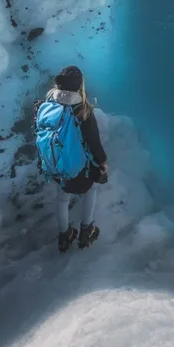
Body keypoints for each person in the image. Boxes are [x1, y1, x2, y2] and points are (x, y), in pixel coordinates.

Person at [41, 65, 108, 253]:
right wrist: (102, 162)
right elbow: (93, 141)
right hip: (79, 169)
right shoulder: (82, 110)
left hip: (57, 166)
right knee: (90, 190)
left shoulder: (48, 105)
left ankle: (65, 235)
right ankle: (86, 230)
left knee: (63, 198)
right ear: (79, 85)